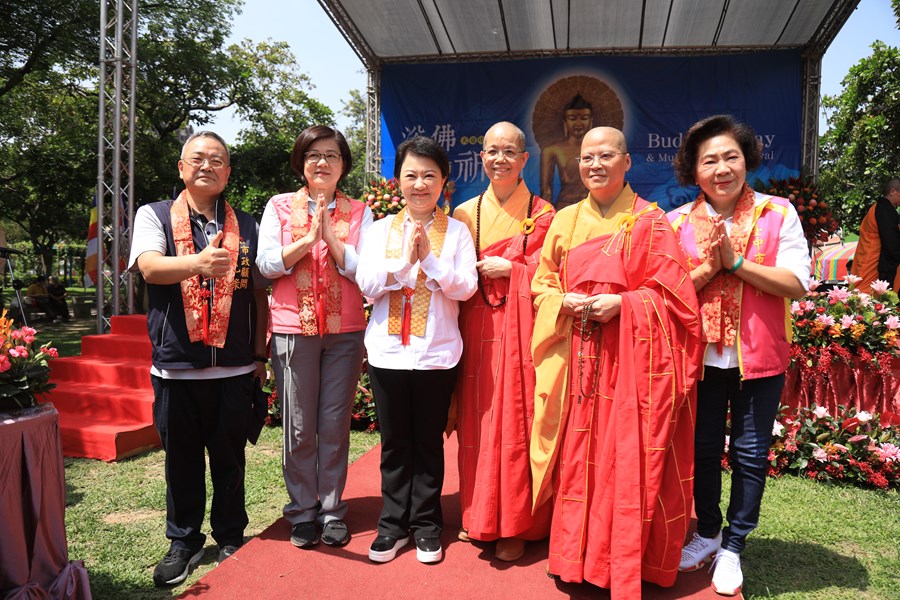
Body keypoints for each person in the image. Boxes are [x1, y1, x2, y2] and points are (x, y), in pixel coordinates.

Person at [530, 127, 702, 598]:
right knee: (578, 459)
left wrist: (624, 306)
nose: (596, 165)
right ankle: (575, 557)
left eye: (607, 156)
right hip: (578, 359)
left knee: (624, 460)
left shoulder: (652, 221)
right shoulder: (564, 220)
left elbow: (679, 303)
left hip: (633, 369)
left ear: (628, 162)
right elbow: (541, 285)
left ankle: (622, 562)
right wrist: (562, 301)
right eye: (588, 157)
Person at [668, 115, 810, 596]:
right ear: (694, 169)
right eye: (709, 160)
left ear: (747, 160)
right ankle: (708, 533)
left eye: (731, 156)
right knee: (703, 451)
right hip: (700, 358)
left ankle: (735, 546)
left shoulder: (778, 213)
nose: (721, 168)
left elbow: (796, 283)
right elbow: (670, 291)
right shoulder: (678, 222)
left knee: (750, 455)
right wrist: (712, 266)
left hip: (759, 356)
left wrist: (740, 264)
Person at [129, 131, 269, 587]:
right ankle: (184, 541)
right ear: (181, 168)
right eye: (198, 159)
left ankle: (231, 536)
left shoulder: (247, 224)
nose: (207, 166)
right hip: (177, 367)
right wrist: (196, 264)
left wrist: (259, 355)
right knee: (182, 460)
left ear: (229, 172)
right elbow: (149, 267)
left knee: (230, 458)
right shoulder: (153, 216)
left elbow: (257, 293)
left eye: (218, 160)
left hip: (233, 367)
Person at [356, 136, 477, 564]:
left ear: (444, 181)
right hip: (388, 354)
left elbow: (466, 287)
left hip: (436, 354)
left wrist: (433, 261)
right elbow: (368, 285)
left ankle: (426, 525)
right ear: (398, 181)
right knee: (394, 443)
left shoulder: (458, 231)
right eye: (411, 175)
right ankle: (391, 525)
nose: (420, 184)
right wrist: (406, 263)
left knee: (427, 442)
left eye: (429, 175)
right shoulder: (379, 229)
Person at [256, 125, 372, 550]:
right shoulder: (279, 207)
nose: (322, 163)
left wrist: (329, 238)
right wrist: (306, 240)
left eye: (331, 155)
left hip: (344, 332)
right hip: (293, 328)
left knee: (334, 424)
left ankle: (332, 510)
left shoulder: (361, 212)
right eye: (313, 155)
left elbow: (365, 269)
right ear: (301, 163)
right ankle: (303, 512)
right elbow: (266, 264)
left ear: (343, 164)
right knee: (300, 428)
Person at [450, 122, 554, 562]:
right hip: (474, 328)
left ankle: (517, 523)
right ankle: (478, 514)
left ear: (524, 158)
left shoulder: (545, 212)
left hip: (523, 332)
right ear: (482, 156)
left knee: (518, 420)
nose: (499, 159)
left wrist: (514, 271)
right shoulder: (463, 213)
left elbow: (552, 278)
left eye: (509, 151)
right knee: (476, 423)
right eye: (491, 151)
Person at [540, 94, 593, 209]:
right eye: (572, 118)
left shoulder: (599, 150)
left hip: (593, 207)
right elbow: (546, 191)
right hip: (565, 206)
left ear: (591, 121)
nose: (578, 123)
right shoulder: (552, 150)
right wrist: (545, 217)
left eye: (584, 118)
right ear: (564, 121)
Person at [850, 178, 900, 291]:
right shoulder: (884, 209)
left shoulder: (877, 207)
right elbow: (892, 241)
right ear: (893, 191)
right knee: (867, 298)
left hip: (865, 259)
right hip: (873, 262)